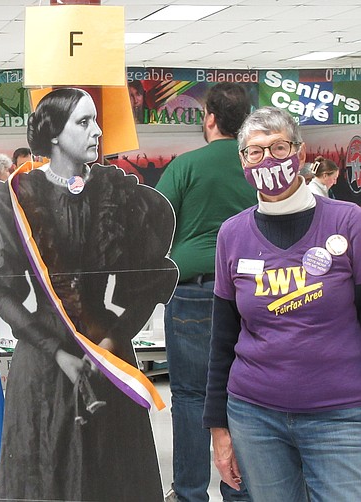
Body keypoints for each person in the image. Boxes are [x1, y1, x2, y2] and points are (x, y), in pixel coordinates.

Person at [0, 87, 178, 501]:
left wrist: (114, 339)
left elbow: (151, 281)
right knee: (45, 467)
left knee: (113, 473)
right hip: (42, 360)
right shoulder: (11, 197)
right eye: (84, 122)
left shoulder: (122, 196)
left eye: (96, 120)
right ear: (52, 133)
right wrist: (56, 350)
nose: (97, 132)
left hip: (109, 356)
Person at [204, 106, 361, 501]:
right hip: (254, 416)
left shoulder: (348, 222)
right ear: (243, 161)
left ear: (301, 153)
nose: (267, 159)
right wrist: (218, 429)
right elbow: (222, 338)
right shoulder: (232, 234)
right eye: (255, 152)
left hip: (340, 414)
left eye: (278, 147)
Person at [155, 82, 254, 502]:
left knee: (192, 396)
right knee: (244, 398)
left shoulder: (185, 166)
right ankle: (240, 492)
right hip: (252, 294)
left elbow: (154, 223)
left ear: (209, 118)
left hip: (194, 292)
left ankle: (191, 492)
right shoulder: (254, 168)